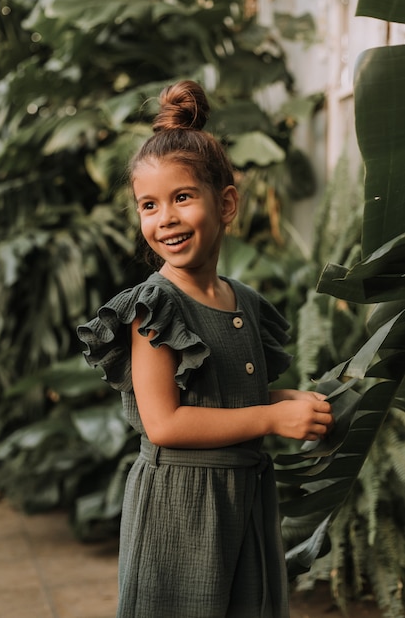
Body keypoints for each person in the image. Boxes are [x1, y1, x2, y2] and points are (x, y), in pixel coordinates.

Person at [77, 80, 333, 618]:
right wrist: (270, 416)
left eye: (182, 197)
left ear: (227, 203)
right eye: (149, 205)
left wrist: (289, 401)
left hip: (244, 499)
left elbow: (229, 393)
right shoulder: (154, 308)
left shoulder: (242, 301)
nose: (164, 217)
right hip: (181, 507)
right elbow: (166, 423)